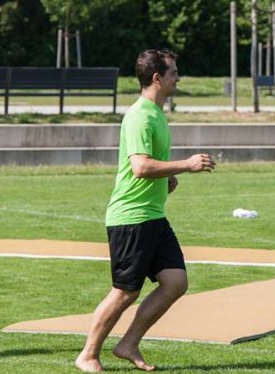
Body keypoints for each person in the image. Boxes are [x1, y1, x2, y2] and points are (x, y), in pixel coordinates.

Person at [75, 49, 215, 373]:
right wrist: (186, 164)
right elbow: (140, 167)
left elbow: (149, 165)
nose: (178, 77)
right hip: (132, 217)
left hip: (152, 215)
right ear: (157, 78)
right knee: (125, 292)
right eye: (173, 72)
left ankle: (128, 344)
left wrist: (166, 178)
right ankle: (88, 354)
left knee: (175, 282)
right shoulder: (141, 116)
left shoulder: (156, 114)